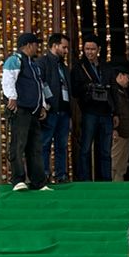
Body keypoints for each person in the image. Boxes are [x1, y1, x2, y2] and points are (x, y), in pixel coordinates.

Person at [2, 32, 49, 191]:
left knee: (35, 147)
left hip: (33, 111)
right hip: (21, 110)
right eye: (36, 44)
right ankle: (18, 180)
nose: (37, 47)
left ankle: (38, 182)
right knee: (18, 144)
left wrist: (42, 105)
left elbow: (40, 86)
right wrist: (12, 97)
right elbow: (8, 79)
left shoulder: (34, 64)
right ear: (29, 45)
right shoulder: (15, 60)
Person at [72, 39, 115, 182]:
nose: (89, 52)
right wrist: (88, 87)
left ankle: (106, 180)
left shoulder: (106, 67)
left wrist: (115, 112)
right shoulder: (79, 67)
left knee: (106, 150)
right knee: (85, 148)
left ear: (98, 49)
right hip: (89, 111)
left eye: (92, 49)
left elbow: (114, 90)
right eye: (87, 49)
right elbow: (74, 90)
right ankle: (84, 180)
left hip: (106, 112)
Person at [42, 32, 74, 182]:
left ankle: (61, 175)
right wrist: (47, 104)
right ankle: (44, 174)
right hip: (50, 111)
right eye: (64, 47)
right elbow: (42, 85)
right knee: (45, 144)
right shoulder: (43, 62)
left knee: (62, 145)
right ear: (55, 46)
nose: (66, 51)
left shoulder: (64, 67)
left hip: (64, 111)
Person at [109, 68, 129, 181]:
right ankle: (112, 187)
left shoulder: (123, 92)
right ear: (120, 76)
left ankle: (119, 187)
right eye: (128, 77)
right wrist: (114, 129)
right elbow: (111, 111)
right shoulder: (113, 92)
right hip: (118, 132)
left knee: (122, 167)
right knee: (114, 163)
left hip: (126, 132)